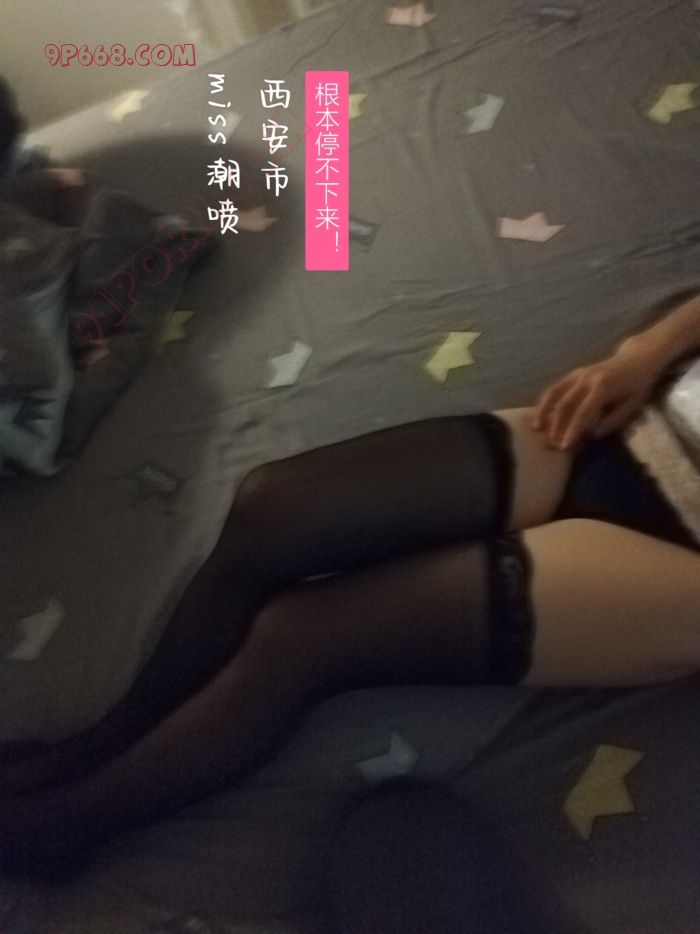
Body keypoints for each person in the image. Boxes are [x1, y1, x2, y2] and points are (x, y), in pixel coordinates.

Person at [1, 291, 699, 877]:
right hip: (641, 423)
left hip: (681, 555)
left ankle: (70, 825)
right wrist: (643, 354)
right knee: (273, 505)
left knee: (304, 634)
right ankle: (107, 741)